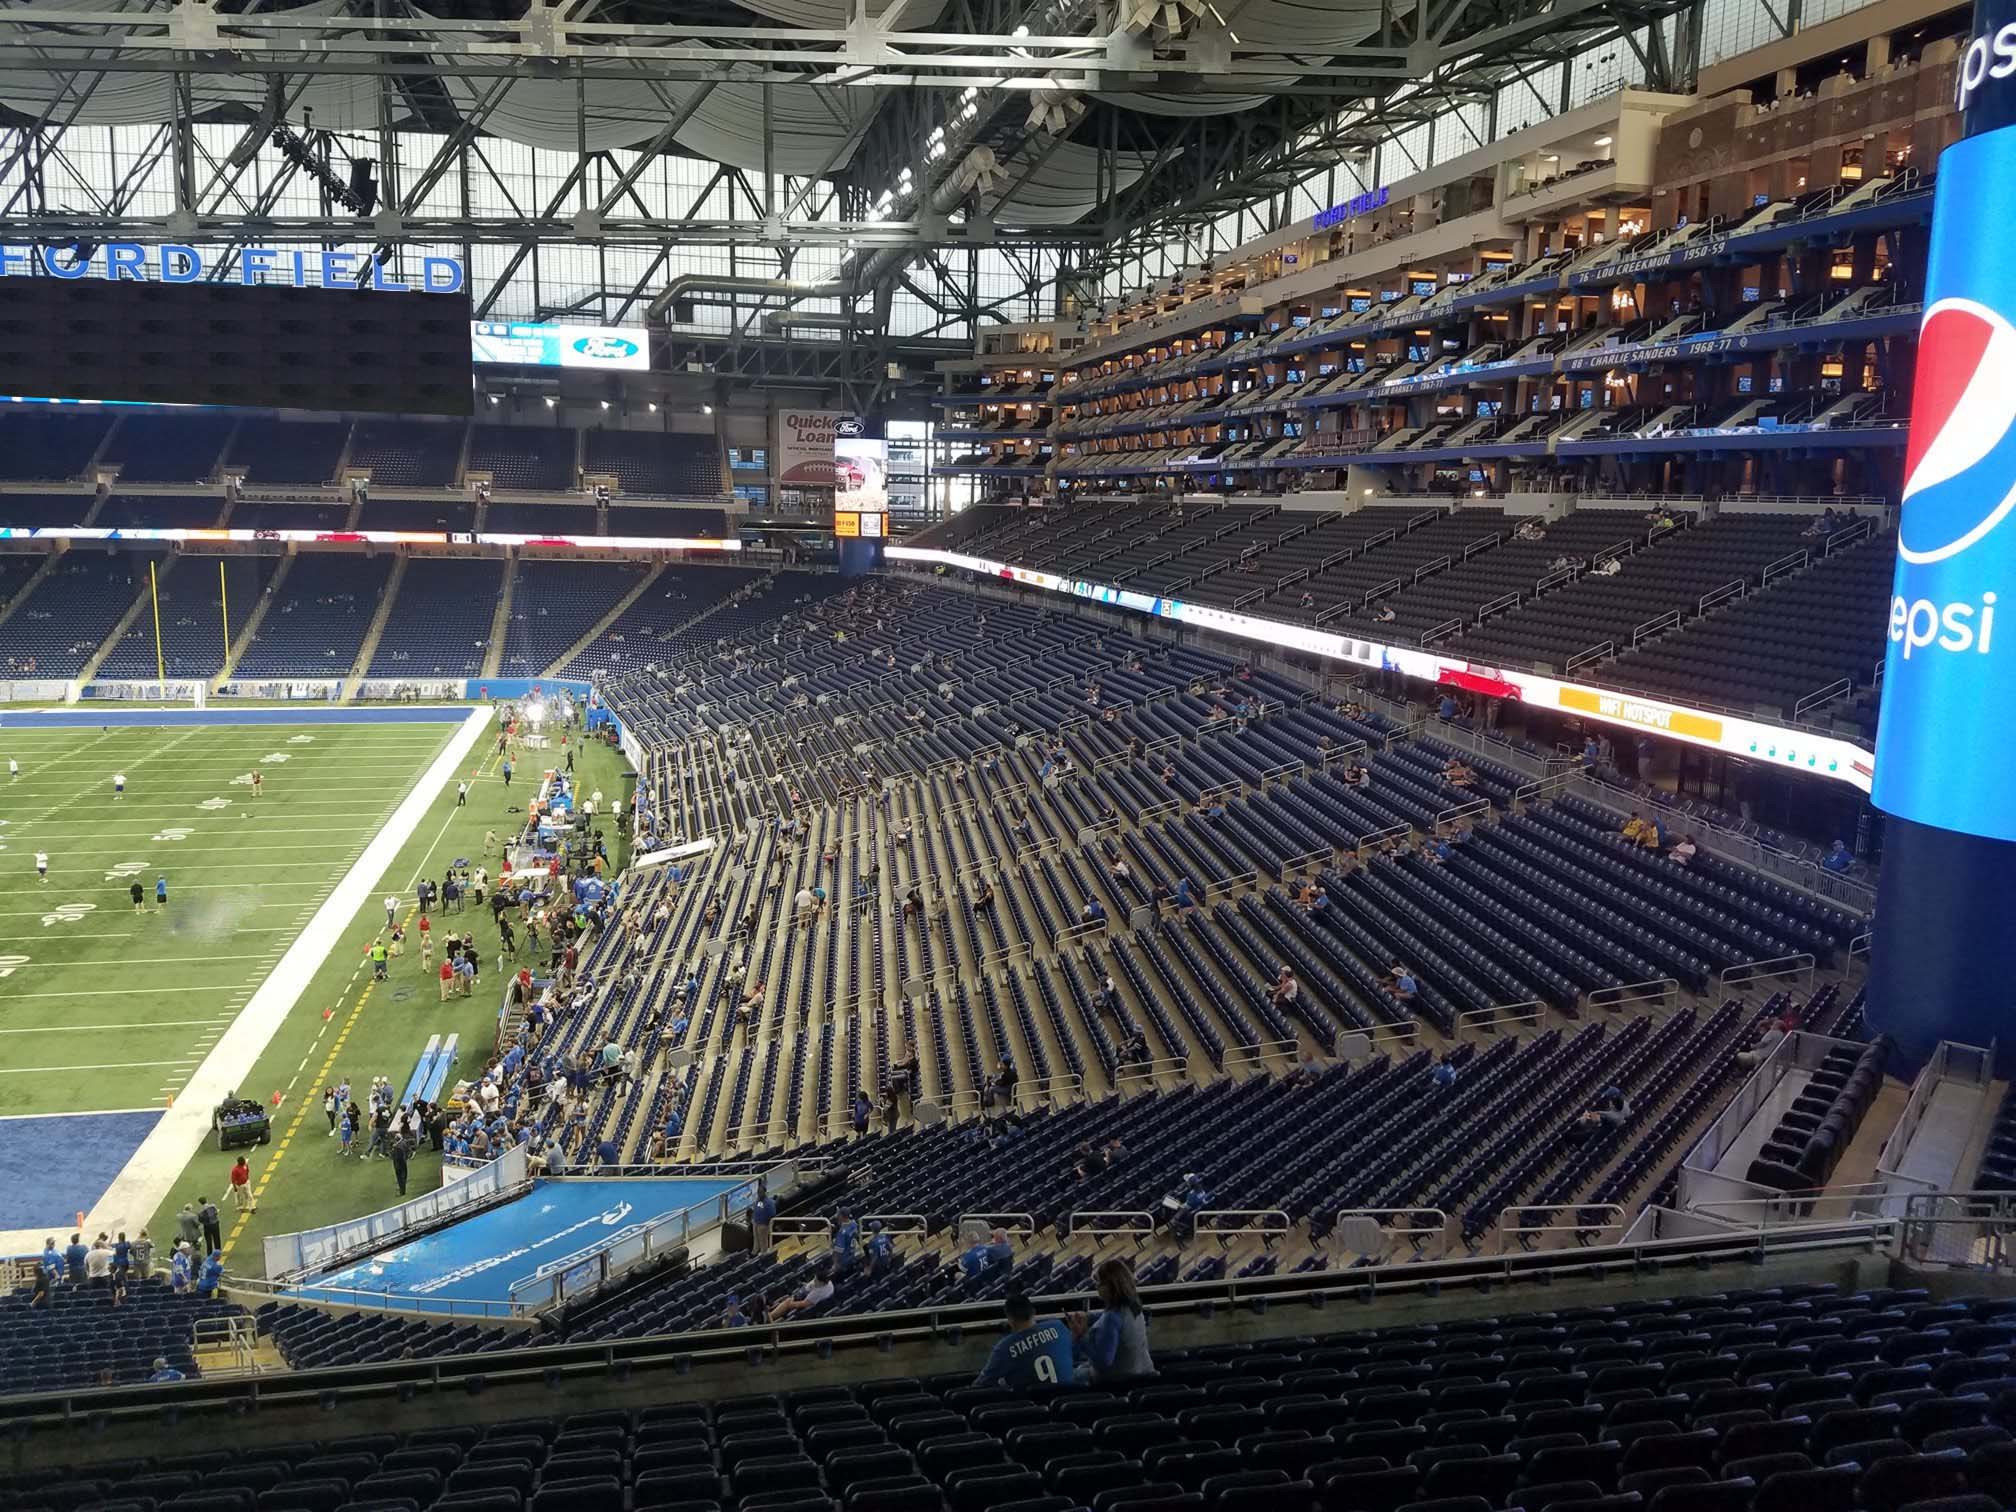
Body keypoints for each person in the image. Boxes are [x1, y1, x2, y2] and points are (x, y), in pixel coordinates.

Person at [1069, 1258, 1154, 1383]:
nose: (1096, 1286)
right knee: (1081, 1367)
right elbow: (1116, 1319)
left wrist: (1081, 1336)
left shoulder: (1111, 1318)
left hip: (1117, 1380)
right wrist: (1089, 1316)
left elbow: (1103, 1362)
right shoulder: (1133, 1305)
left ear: (1111, 1286)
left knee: (1068, 1375)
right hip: (1142, 1372)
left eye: (1100, 1283)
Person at [974, 1292, 1076, 1388]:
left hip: (1031, 1404)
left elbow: (981, 1383)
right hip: (1067, 1397)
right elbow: (1074, 1354)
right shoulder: (1057, 1325)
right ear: (1033, 1311)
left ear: (1010, 1319)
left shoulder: (1004, 1347)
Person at [1737, 1006, 1801, 1069]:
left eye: (1773, 1024)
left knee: (1739, 1055)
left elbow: (1763, 1044)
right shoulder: (1781, 1035)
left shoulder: (1773, 1032)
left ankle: (1741, 1070)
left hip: (1759, 1056)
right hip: (1767, 1057)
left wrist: (1753, 1046)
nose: (1772, 1025)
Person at [768, 1261, 835, 1321]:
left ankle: (770, 1317)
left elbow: (804, 1304)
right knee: (785, 1298)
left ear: (822, 1283)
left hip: (808, 1307)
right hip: (805, 1295)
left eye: (816, 1280)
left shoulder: (817, 1293)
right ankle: (771, 1309)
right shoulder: (829, 1283)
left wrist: (790, 1303)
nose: (814, 1280)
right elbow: (808, 1287)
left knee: (787, 1302)